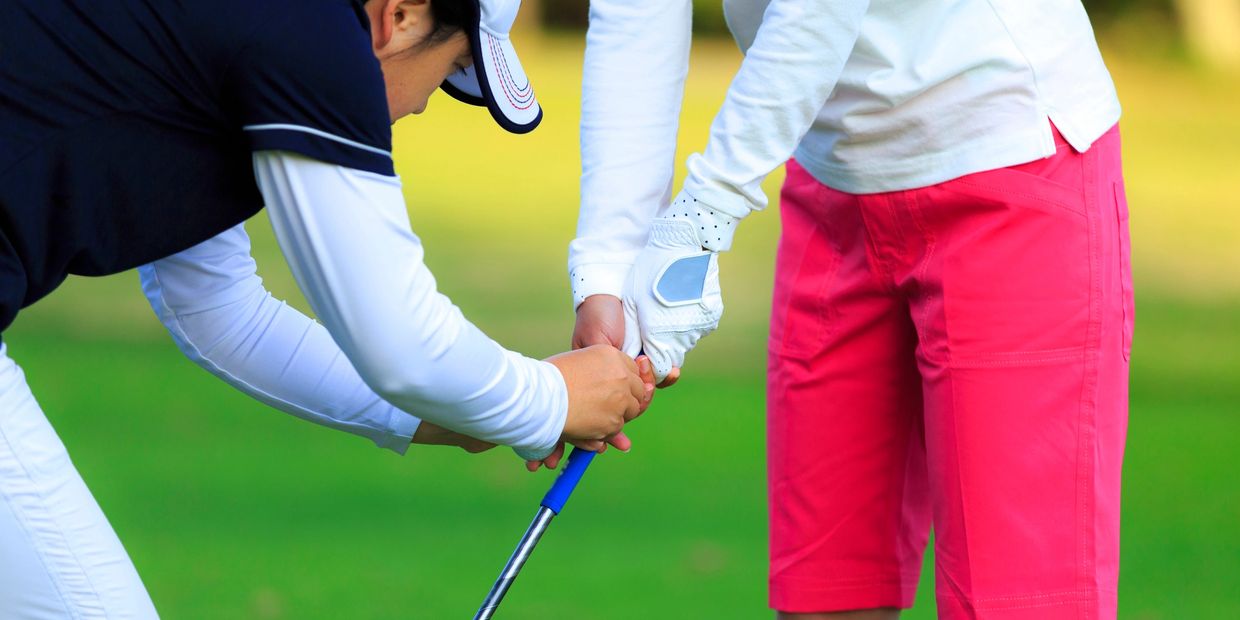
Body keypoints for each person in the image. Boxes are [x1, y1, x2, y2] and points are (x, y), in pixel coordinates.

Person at [0, 0, 654, 616]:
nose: (425, 106)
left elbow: (220, 311)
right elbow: (403, 345)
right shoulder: (314, 41)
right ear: (399, 14)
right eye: (451, 68)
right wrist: (548, 399)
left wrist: (462, 414)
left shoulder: (246, 38)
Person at [568, 1, 1131, 618]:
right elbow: (636, 17)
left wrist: (700, 218)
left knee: (1016, 602)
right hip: (834, 188)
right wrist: (605, 274)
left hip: (1007, 152)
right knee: (825, 595)